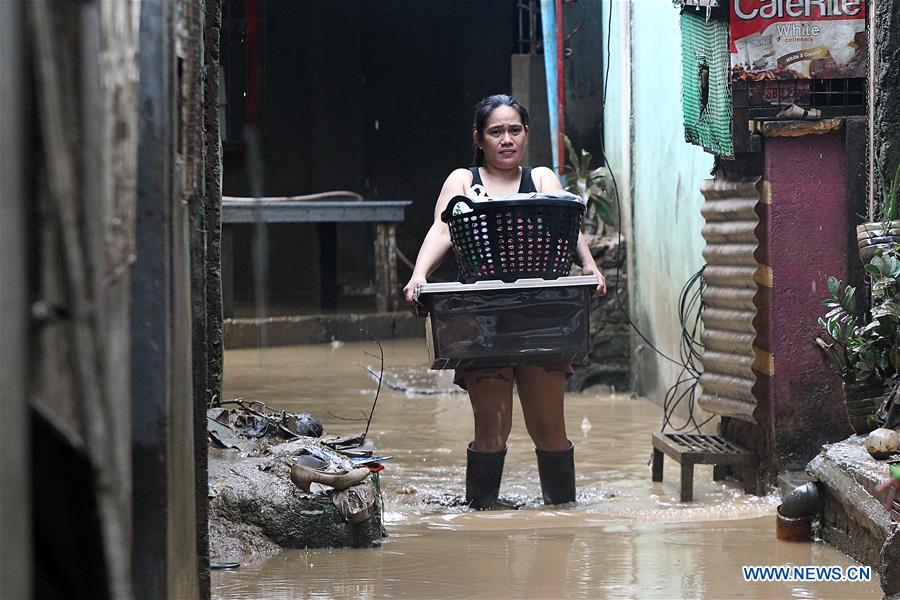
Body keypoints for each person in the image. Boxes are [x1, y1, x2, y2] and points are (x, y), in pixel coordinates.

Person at [402, 94, 606, 509]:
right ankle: (483, 513)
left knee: (549, 426)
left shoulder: (543, 178)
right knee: (492, 428)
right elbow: (441, 231)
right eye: (496, 131)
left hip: (541, 315)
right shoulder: (463, 180)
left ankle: (562, 513)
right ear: (479, 138)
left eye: (515, 130)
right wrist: (418, 275)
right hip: (482, 318)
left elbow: (568, 225)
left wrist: (589, 266)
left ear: (526, 135)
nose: (507, 139)